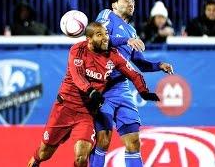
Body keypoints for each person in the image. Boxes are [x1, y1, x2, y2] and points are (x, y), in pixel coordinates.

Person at [27, 22, 160, 167]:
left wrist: (144, 92)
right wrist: (91, 91)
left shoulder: (113, 55)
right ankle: (36, 161)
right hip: (65, 108)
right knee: (44, 153)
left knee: (81, 157)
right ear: (88, 39)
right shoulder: (78, 49)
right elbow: (78, 77)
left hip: (86, 113)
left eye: (106, 34)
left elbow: (133, 73)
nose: (105, 38)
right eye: (99, 35)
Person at [90, 0, 174, 167]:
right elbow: (101, 40)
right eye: (126, 0)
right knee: (103, 140)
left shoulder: (132, 32)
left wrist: (158, 65)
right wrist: (126, 40)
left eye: (133, 2)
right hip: (101, 87)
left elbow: (140, 63)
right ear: (114, 4)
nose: (131, 4)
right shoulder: (107, 15)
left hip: (122, 88)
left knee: (134, 141)